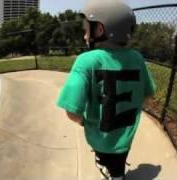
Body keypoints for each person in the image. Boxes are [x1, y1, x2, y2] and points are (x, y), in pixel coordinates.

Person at [56, 0, 156, 179]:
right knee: (118, 164)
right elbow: (148, 95)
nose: (85, 37)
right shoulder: (137, 58)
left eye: (87, 31)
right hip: (126, 138)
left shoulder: (86, 61)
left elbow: (72, 112)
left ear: (101, 30)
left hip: (99, 138)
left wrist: (85, 122)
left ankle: (106, 167)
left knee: (104, 159)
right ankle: (117, 173)